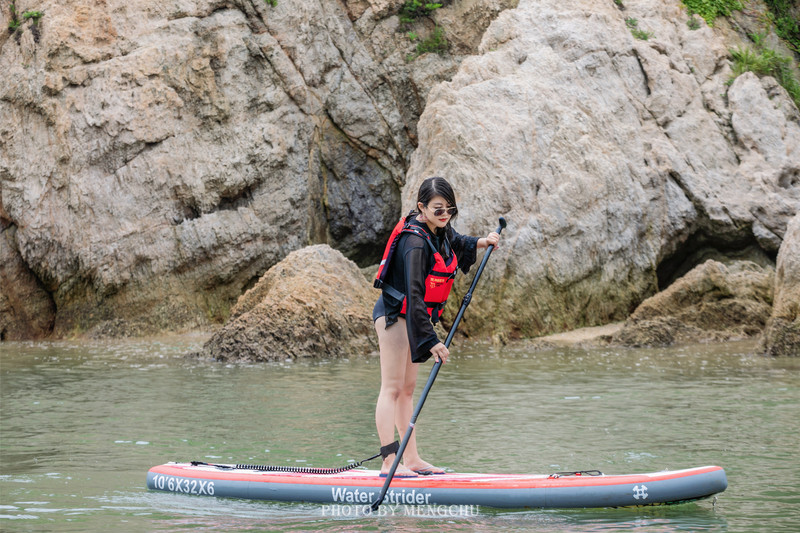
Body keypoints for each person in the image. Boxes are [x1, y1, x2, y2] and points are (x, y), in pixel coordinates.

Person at [372, 176, 501, 477]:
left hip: (412, 316)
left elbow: (455, 241)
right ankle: (389, 461)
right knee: (391, 388)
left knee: (407, 390)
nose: (445, 215)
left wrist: (483, 242)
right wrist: (432, 340)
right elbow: (415, 295)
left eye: (449, 210)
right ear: (422, 208)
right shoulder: (415, 243)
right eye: (438, 209)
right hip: (394, 315)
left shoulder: (438, 229)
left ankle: (412, 459)